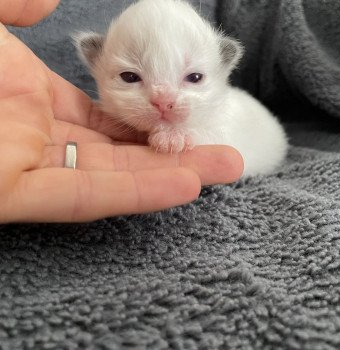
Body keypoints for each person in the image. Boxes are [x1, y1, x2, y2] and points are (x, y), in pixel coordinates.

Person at [0, 0, 243, 223]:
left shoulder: (226, 116)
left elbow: (223, 151)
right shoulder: (87, 126)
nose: (163, 101)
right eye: (130, 76)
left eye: (194, 77)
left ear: (224, 65)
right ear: (95, 61)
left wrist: (188, 136)